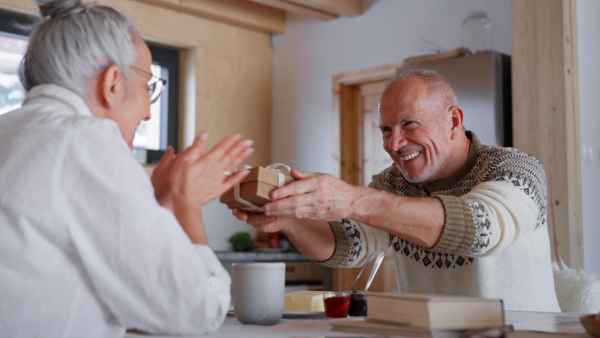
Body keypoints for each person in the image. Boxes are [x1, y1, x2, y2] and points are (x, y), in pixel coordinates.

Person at [0, 0, 253, 337]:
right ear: (113, 82)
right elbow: (195, 311)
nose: (148, 112)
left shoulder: (11, 130)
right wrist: (184, 205)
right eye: (148, 85)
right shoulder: (86, 140)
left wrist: (156, 202)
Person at [234, 69, 561, 312]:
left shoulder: (515, 168)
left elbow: (481, 230)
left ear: (454, 121)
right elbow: (349, 248)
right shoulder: (392, 183)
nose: (394, 143)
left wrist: (354, 200)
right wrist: (289, 220)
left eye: (410, 124)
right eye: (387, 129)